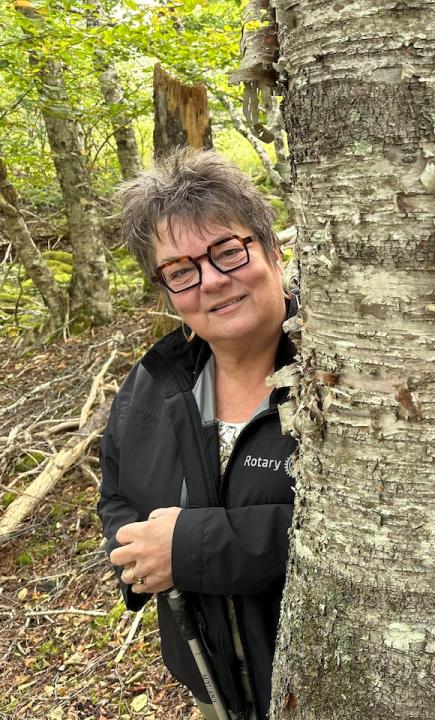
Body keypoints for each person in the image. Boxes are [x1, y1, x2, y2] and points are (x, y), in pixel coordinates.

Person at [98, 148, 297, 720]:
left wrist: (190, 549)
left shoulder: (342, 373)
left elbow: (392, 534)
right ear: (168, 292)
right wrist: (136, 553)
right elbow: (118, 495)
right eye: (182, 271)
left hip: (327, 687)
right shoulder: (155, 384)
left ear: (273, 251)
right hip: (212, 688)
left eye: (227, 252)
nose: (211, 281)